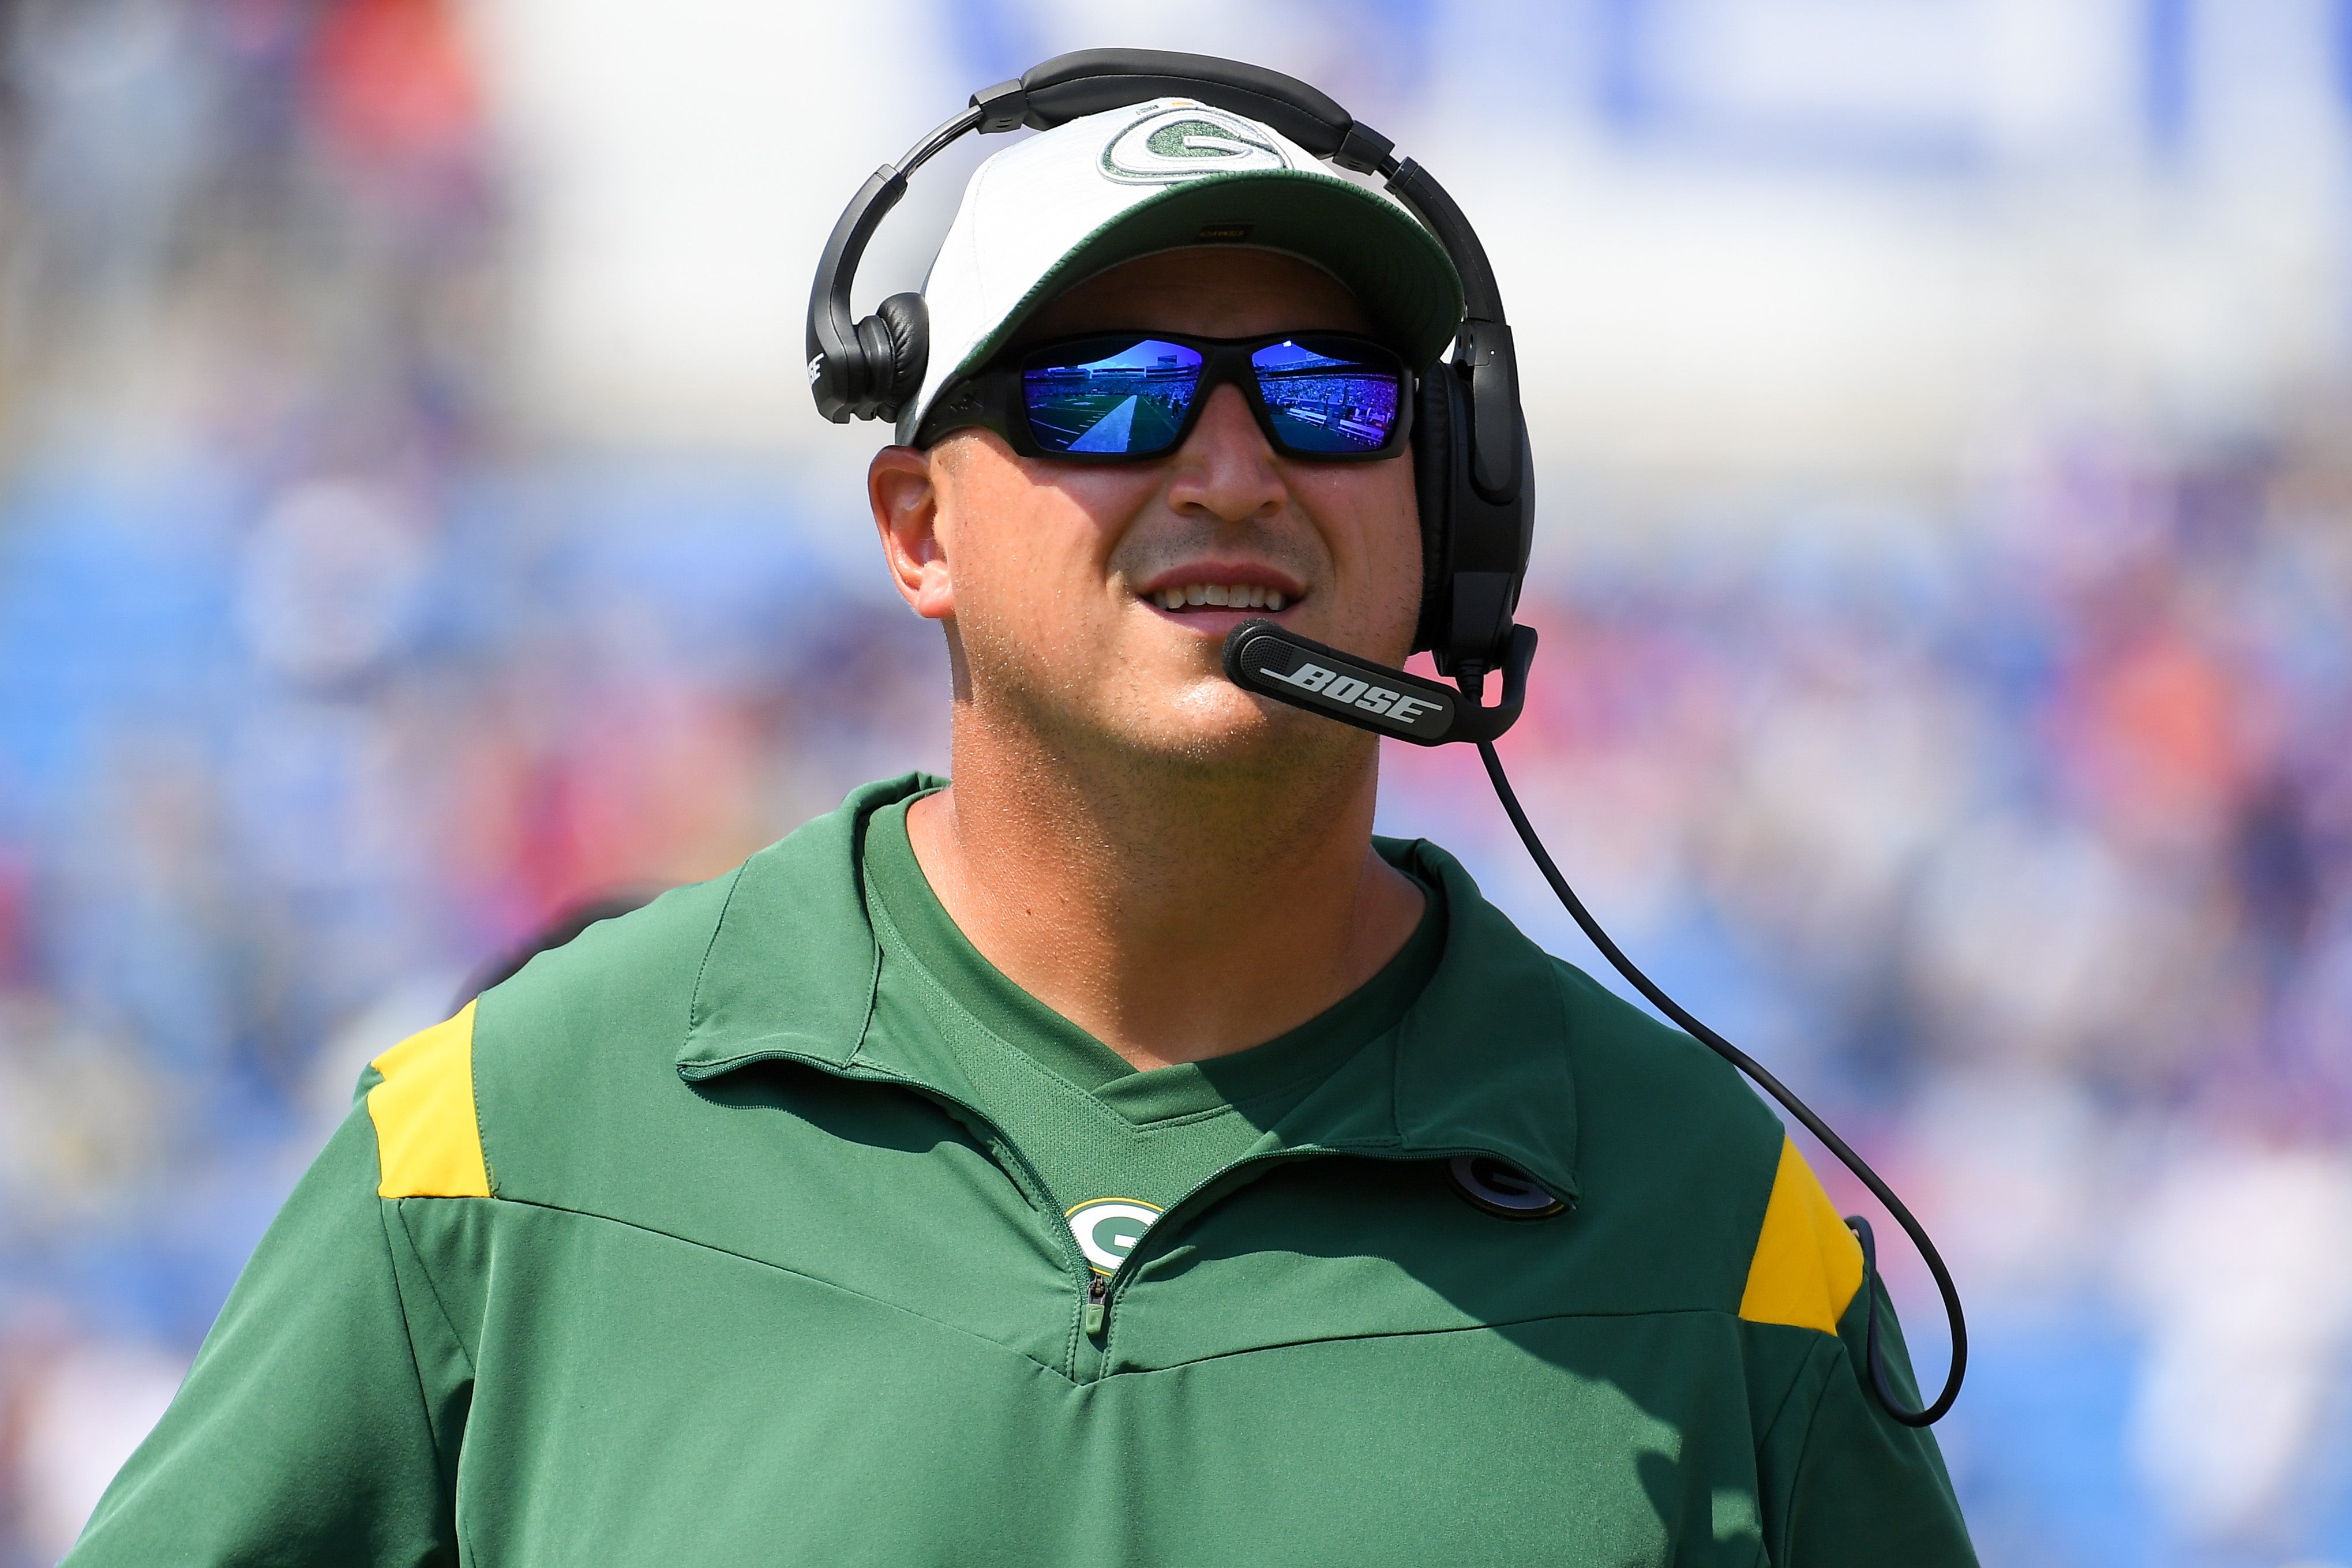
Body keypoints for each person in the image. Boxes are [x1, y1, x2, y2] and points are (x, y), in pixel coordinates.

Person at [67, 88, 1978, 1566]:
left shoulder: (1720, 1223)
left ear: (1452, 517)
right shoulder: (499, 1142)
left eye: (1325, 395)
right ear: (918, 530)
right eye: (1107, 392)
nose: (1231, 467)